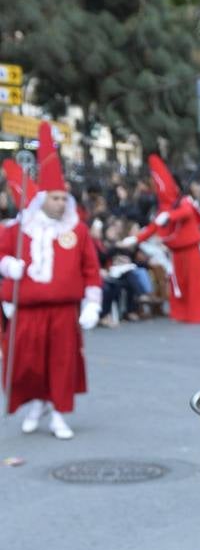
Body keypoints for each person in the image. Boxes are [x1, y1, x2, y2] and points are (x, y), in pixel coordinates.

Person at [0, 123, 101, 438]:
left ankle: (58, 411)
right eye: (55, 197)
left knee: (61, 363)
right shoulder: (19, 229)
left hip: (62, 310)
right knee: (28, 364)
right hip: (27, 309)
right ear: (42, 198)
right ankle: (37, 403)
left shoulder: (77, 231)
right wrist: (7, 265)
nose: (60, 202)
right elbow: (2, 252)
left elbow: (91, 268)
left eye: (63, 198)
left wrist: (92, 303)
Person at [124, 154, 200, 324]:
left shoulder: (183, 202)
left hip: (190, 249)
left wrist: (170, 216)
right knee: (179, 283)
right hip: (176, 252)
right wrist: (136, 239)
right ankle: (181, 312)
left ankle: (198, 313)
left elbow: (186, 212)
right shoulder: (164, 208)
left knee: (194, 283)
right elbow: (154, 227)